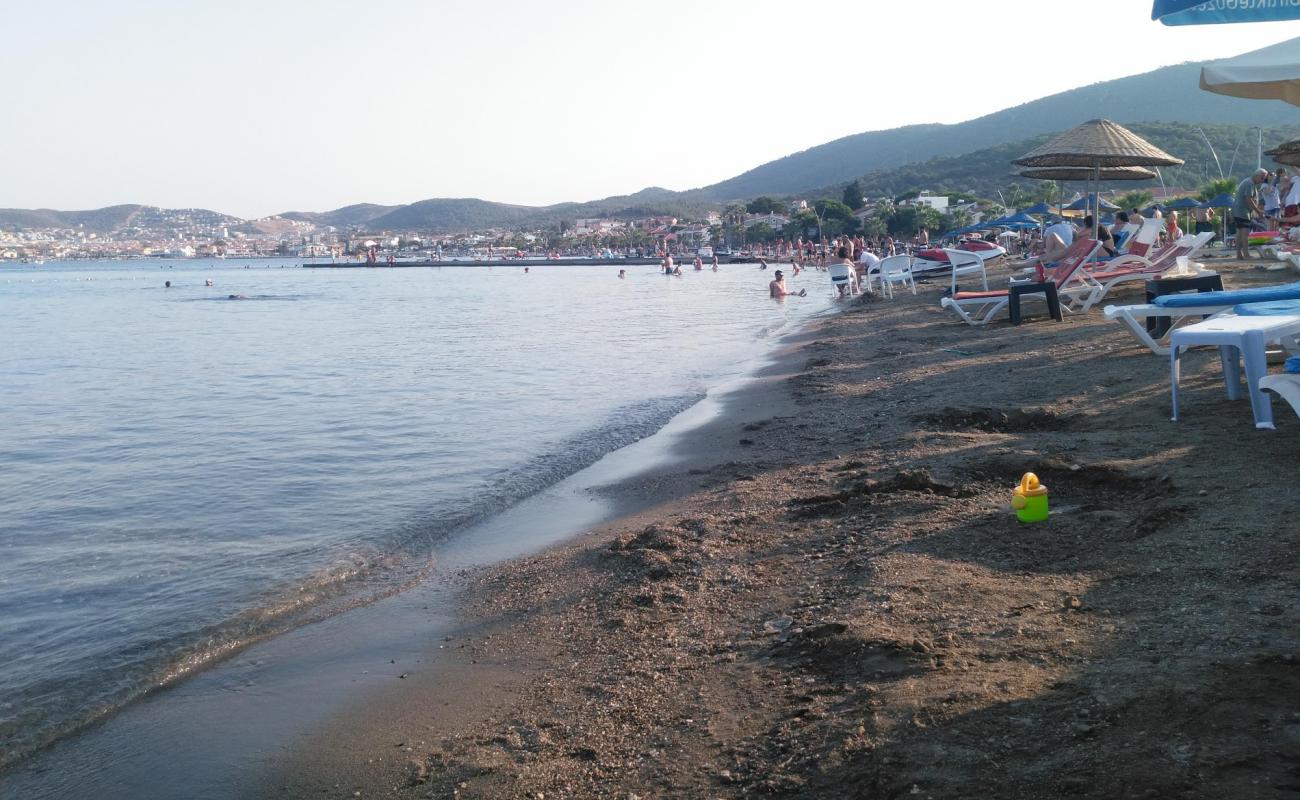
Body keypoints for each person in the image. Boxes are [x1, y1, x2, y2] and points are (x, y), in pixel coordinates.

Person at [1233, 168, 1268, 260]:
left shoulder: (1247, 182)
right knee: (1245, 233)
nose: (1262, 180)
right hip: (1243, 211)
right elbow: (1248, 199)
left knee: (1239, 233)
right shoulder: (1250, 183)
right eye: (1262, 178)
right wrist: (1258, 211)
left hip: (1238, 210)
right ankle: (1246, 254)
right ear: (1256, 176)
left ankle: (1239, 254)